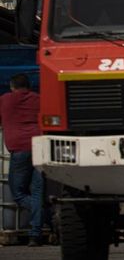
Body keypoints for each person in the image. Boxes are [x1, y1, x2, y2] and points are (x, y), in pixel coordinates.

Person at [0, 73, 44, 245]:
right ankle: (35, 234)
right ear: (29, 86)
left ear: (12, 86)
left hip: (19, 149)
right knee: (38, 193)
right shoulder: (39, 99)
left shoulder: (5, 100)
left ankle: (46, 214)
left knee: (18, 193)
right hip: (40, 148)